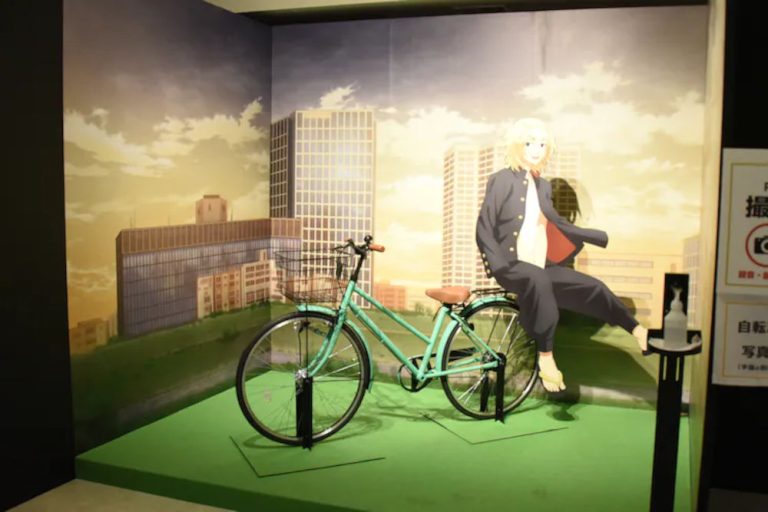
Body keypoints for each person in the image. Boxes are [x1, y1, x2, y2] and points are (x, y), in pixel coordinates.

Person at [476, 118, 648, 392]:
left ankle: (637, 331)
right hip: (510, 265)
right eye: (529, 143)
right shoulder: (501, 180)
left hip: (540, 265)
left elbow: (555, 222)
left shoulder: (543, 187)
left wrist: (585, 235)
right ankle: (546, 357)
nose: (536, 150)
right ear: (517, 146)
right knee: (539, 280)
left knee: (592, 286)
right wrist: (497, 265)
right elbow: (484, 226)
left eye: (542, 144)